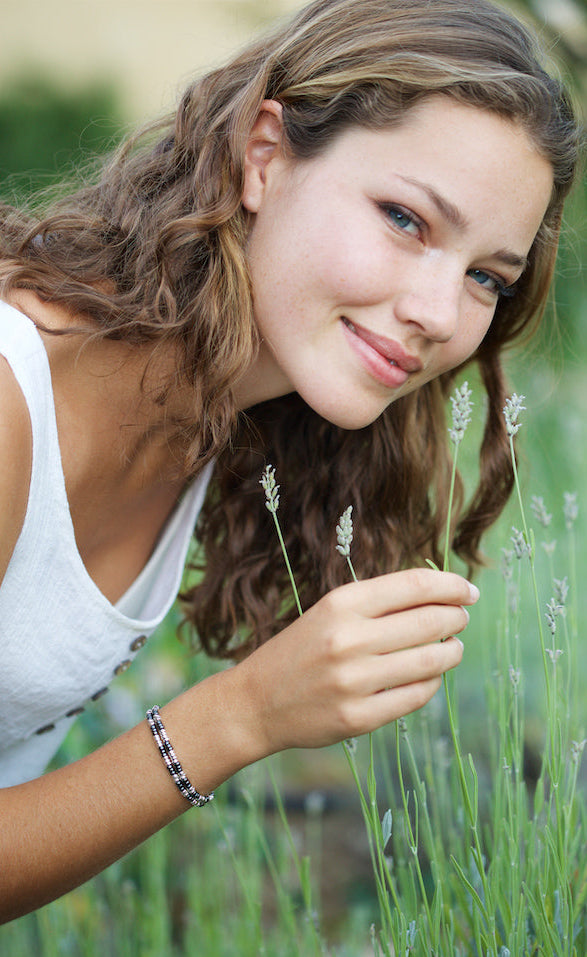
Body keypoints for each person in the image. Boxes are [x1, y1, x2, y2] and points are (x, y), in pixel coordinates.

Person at [0, 0, 580, 923]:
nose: (438, 313)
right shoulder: (12, 404)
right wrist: (240, 714)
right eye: (405, 219)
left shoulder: (219, 415)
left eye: (486, 277)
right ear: (263, 155)